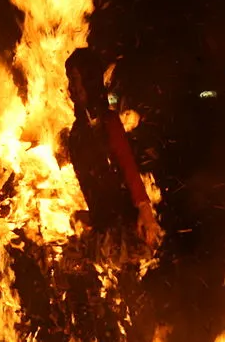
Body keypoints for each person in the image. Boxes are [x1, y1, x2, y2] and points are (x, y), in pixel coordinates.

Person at [64, 48, 162, 251]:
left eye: (74, 79)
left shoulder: (108, 122)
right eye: (70, 80)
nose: (70, 87)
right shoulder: (77, 132)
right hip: (103, 231)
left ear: (89, 82)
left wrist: (145, 211)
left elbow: (127, 165)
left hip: (124, 231)